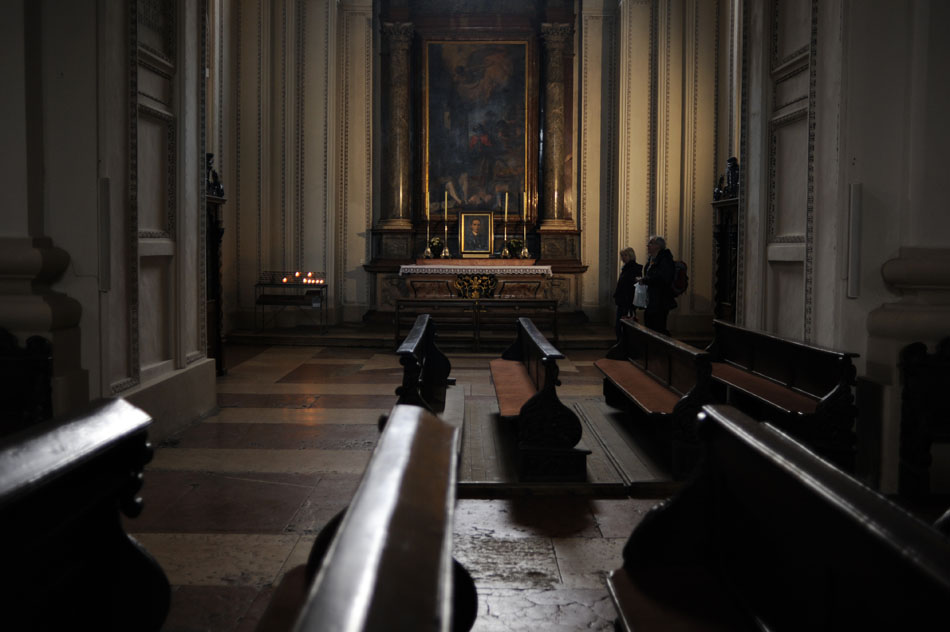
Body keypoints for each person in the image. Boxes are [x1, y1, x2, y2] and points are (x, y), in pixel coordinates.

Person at [639, 235, 676, 336]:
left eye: (651, 243)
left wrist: (646, 280)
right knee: (649, 326)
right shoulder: (652, 259)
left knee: (658, 328)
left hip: (660, 300)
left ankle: (661, 350)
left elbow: (663, 278)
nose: (648, 245)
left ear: (658, 246)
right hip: (651, 300)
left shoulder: (665, 259)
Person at [613, 247, 643, 340]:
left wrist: (629, 302)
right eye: (622, 256)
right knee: (619, 326)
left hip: (628, 302)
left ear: (631, 256)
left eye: (625, 255)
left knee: (624, 326)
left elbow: (634, 286)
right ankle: (622, 345)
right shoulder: (626, 268)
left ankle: (624, 347)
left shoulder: (634, 268)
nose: (623, 258)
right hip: (622, 301)